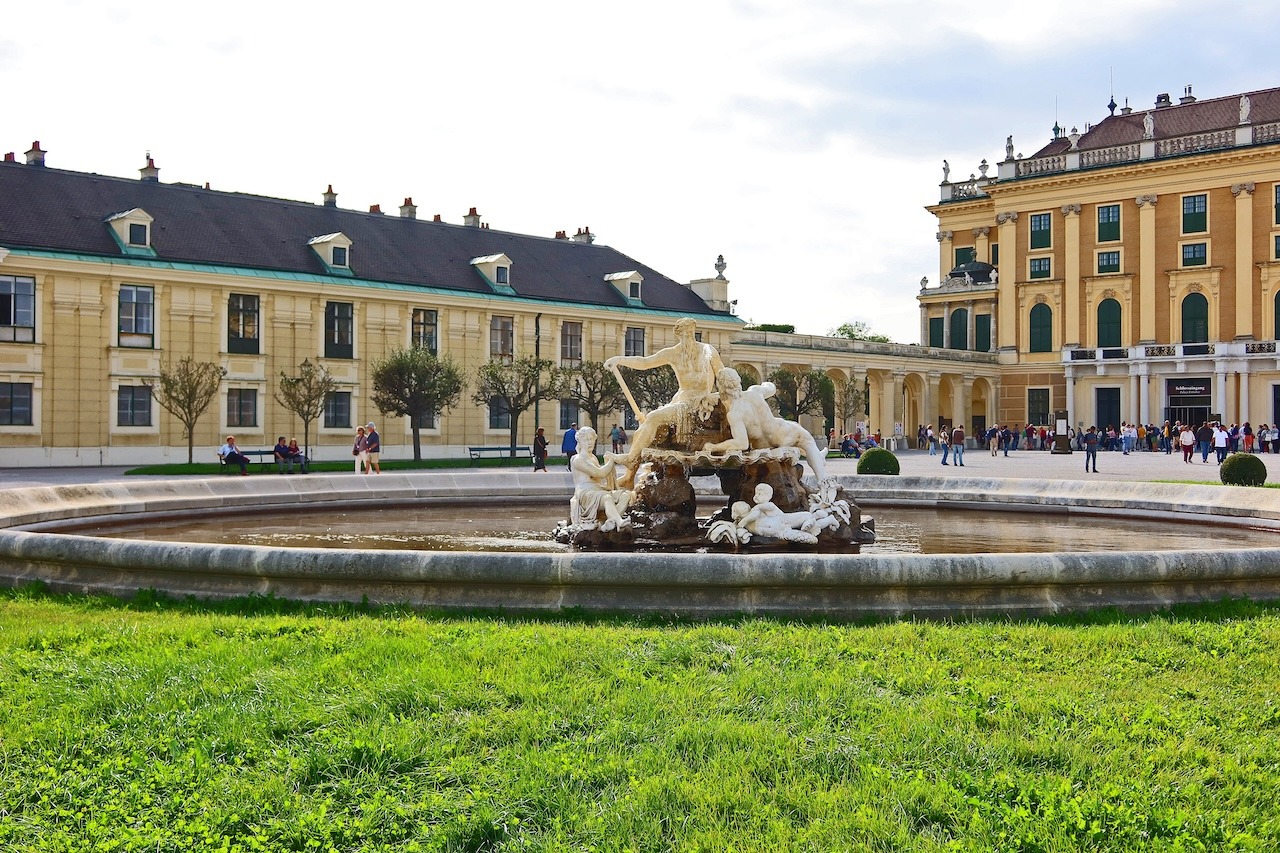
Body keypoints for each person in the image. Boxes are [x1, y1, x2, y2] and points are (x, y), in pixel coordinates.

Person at [604, 317, 725, 483]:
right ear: (678, 335)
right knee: (646, 425)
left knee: (652, 418)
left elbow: (723, 375)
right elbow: (645, 362)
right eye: (685, 333)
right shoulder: (673, 353)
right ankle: (629, 476)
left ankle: (631, 458)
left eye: (692, 332)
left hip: (701, 403)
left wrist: (722, 395)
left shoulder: (707, 350)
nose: (689, 336)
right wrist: (619, 360)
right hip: (682, 402)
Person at [701, 368, 829, 481]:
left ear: (721, 387)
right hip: (781, 434)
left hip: (763, 446)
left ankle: (818, 457)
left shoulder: (735, 413)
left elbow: (741, 443)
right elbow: (771, 387)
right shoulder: (754, 392)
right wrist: (764, 384)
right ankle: (822, 479)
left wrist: (714, 447)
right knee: (807, 442)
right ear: (738, 381)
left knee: (806, 442)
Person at [568, 427, 632, 531]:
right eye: (586, 440)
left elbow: (599, 477)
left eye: (591, 439)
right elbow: (600, 473)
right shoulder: (577, 459)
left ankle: (608, 522)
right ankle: (619, 521)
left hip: (598, 489)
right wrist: (612, 460)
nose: (589, 442)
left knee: (626, 495)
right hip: (585, 492)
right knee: (607, 497)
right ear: (580, 441)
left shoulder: (593, 457)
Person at [738, 483, 835, 545]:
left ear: (768, 496)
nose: (756, 497)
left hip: (785, 519)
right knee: (811, 531)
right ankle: (827, 519)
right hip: (781, 528)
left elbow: (758, 512)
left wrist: (744, 520)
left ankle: (816, 518)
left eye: (760, 494)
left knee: (806, 516)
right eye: (756, 494)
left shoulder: (767, 505)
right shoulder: (758, 510)